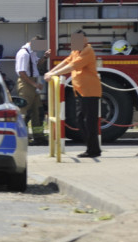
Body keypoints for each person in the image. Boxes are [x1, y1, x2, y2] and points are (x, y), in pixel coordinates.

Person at [44, 29, 102, 158]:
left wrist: (53, 74)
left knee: (88, 122)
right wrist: (51, 71)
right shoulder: (76, 50)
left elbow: (73, 66)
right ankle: (92, 148)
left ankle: (93, 150)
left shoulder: (88, 51)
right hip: (81, 91)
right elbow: (66, 61)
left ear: (85, 39)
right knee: (81, 121)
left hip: (90, 91)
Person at [15, 35, 50, 145]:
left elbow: (37, 64)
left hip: (32, 84)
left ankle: (39, 137)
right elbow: (22, 73)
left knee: (38, 112)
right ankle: (21, 137)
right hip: (26, 84)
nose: (40, 49)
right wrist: (34, 84)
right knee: (24, 113)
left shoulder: (32, 53)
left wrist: (45, 57)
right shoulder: (23, 54)